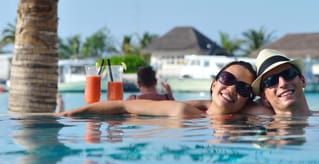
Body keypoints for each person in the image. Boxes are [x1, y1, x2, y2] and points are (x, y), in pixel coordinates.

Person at [60, 61, 271, 117]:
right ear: (214, 83)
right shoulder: (184, 112)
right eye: (227, 78)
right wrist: (67, 114)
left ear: (248, 99)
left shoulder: (252, 116)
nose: (232, 89)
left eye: (243, 88)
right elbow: (125, 105)